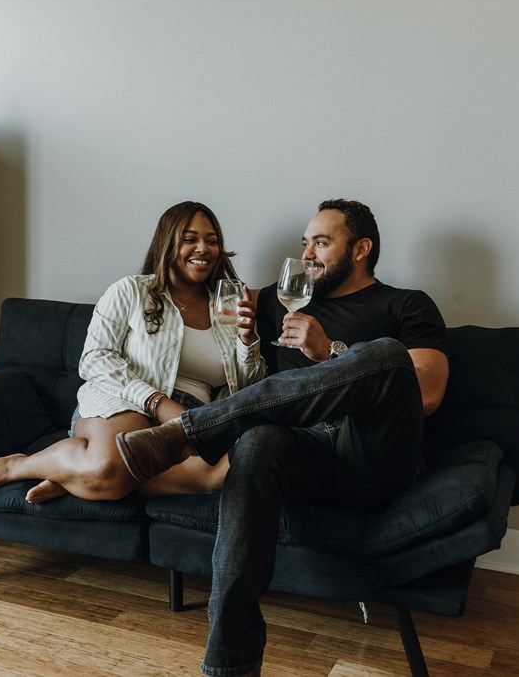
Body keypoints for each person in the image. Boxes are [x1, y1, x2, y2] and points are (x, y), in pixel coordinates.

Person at [115, 199, 449, 677]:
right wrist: (241, 332)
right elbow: (204, 289)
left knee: (388, 355)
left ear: (361, 249)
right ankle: (230, 664)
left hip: (372, 455)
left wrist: (328, 351)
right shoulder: (279, 298)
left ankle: (190, 433)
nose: (308, 253)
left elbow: (429, 392)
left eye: (321, 242)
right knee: (256, 443)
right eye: (304, 243)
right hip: (301, 455)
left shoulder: (405, 304)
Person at [0, 201, 265, 504]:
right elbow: (94, 359)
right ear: (167, 244)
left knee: (221, 473)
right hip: (125, 399)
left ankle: (72, 476)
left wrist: (247, 340)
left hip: (190, 414)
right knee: (108, 468)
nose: (203, 249)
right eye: (190, 239)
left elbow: (244, 386)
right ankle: (18, 465)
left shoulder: (226, 303)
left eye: (212, 241)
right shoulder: (131, 291)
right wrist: (157, 403)